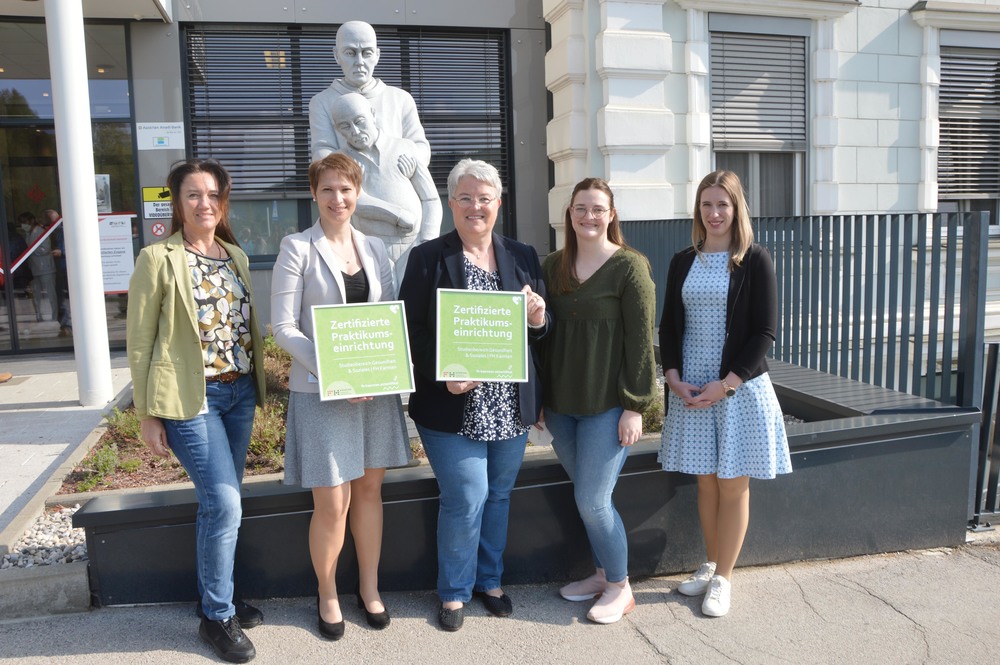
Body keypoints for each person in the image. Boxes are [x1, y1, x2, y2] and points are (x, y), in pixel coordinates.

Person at [398, 158, 548, 632]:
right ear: (451, 203)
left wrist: (539, 317)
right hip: (451, 401)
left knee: (499, 494)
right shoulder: (427, 258)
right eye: (465, 198)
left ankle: (490, 581)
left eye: (484, 198)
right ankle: (455, 592)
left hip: (508, 402)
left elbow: (541, 335)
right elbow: (411, 329)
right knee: (467, 495)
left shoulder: (522, 255)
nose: (475, 207)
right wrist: (444, 372)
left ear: (498, 204)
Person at [127, 158, 267, 663]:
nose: (204, 203)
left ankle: (218, 595)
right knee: (225, 503)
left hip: (239, 394)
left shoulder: (235, 255)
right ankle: (216, 616)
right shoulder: (157, 258)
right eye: (193, 195)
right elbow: (140, 340)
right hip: (192, 399)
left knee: (223, 503)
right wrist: (147, 412)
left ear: (222, 201)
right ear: (177, 201)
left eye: (212, 194)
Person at [271, 153, 411, 640]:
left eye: (346, 189)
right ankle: (327, 592)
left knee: (370, 492)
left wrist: (378, 371)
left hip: (373, 391)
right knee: (332, 503)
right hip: (321, 392)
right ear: (315, 193)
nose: (338, 198)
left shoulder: (375, 249)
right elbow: (283, 327)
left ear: (358, 193)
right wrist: (337, 372)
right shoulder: (297, 247)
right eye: (328, 189)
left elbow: (390, 317)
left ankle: (369, 589)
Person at [658, 169, 792, 618]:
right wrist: (672, 376)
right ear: (697, 210)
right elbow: (670, 327)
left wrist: (728, 384)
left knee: (733, 486)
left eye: (723, 204)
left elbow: (764, 332)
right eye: (707, 204)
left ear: (737, 209)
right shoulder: (682, 261)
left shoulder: (754, 259)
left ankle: (725, 579)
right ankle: (710, 563)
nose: (714, 213)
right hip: (693, 388)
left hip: (736, 389)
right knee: (706, 484)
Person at [540, 178, 657, 624]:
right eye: (580, 208)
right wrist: (539, 400)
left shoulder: (630, 268)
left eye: (598, 209)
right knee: (587, 495)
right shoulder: (553, 266)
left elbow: (641, 342)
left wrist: (634, 406)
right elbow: (543, 338)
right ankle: (601, 572)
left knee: (593, 500)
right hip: (562, 405)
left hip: (607, 407)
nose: (589, 216)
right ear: (569, 214)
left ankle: (620, 587)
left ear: (611, 214)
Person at [330, 92, 442, 276]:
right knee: (380, 301)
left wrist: (427, 241)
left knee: (416, 299)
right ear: (337, 129)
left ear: (372, 114)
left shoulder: (404, 148)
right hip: (368, 249)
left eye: (359, 121)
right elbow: (355, 203)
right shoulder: (340, 161)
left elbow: (430, 199)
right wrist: (396, 215)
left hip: (414, 245)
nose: (355, 132)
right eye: (345, 126)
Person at [309, 21, 429, 166]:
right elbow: (322, 151)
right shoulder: (321, 102)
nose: (359, 61)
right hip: (349, 185)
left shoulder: (401, 99)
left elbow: (419, 145)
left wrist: (410, 165)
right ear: (336, 55)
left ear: (377, 55)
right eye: (350, 53)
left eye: (367, 53)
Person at [18, 211, 58, 324]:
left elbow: (45, 249)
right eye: (21, 223)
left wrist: (31, 250)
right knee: (37, 295)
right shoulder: (28, 234)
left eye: (25, 222)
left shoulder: (40, 232)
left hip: (46, 268)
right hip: (35, 269)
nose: (23, 225)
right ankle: (40, 317)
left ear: (32, 221)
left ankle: (53, 318)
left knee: (50, 294)